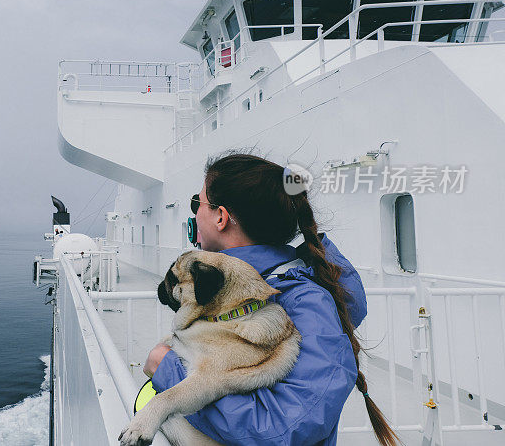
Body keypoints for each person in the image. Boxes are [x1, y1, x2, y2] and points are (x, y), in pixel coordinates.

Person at [143, 153, 398, 446]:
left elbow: (283, 429)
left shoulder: (307, 304)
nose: (194, 215)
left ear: (221, 217)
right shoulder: (227, 290)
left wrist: (169, 370)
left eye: (195, 203)